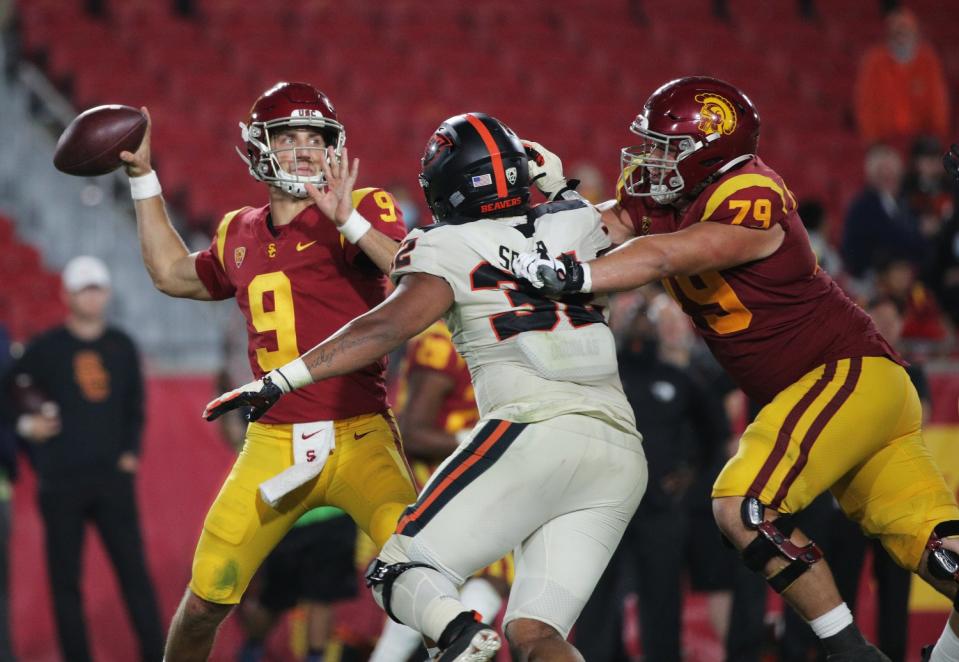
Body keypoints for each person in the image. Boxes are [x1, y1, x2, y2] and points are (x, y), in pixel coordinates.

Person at [511, 76, 959, 662]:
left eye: (667, 149)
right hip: (855, 390)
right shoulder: (664, 195)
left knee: (742, 504)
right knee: (934, 545)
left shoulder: (750, 190)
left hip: (844, 371)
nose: (651, 161)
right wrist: (524, 236)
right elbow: (610, 224)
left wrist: (578, 277)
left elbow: (675, 252)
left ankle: (850, 652)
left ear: (711, 152)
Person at [203, 111, 648, 662]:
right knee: (536, 635)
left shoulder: (445, 245)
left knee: (397, 570)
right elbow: (634, 219)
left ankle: (461, 638)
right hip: (621, 450)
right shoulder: (577, 222)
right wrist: (558, 187)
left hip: (536, 428)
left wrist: (285, 377)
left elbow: (387, 324)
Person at [118, 81, 418, 661]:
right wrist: (142, 177)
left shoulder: (366, 207)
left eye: (316, 137)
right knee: (205, 600)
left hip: (360, 433)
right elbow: (171, 274)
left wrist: (348, 219)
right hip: (273, 443)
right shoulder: (238, 231)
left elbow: (415, 278)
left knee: (422, 574)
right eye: (289, 136)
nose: (305, 149)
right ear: (260, 147)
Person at [0, 256, 163, 662]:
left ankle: (159, 654)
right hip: (61, 481)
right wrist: (26, 426)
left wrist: (129, 454)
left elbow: (134, 405)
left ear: (107, 293)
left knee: (134, 575)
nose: (91, 297)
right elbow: (7, 394)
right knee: (65, 582)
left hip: (112, 480)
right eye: (83, 290)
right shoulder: (45, 348)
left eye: (96, 288)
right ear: (67, 295)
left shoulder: (121, 346)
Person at [369, 321, 511, 662]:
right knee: (431, 585)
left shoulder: (491, 325)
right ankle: (463, 646)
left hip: (475, 481)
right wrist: (477, 443)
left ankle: (462, 645)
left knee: (478, 579)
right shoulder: (443, 336)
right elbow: (414, 432)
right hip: (444, 481)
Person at [853, 7, 950, 149]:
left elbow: (938, 101)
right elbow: (866, 103)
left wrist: (936, 133)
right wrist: (872, 138)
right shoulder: (874, 61)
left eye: (906, 31)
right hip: (883, 141)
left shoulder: (928, 60)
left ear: (915, 34)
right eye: (897, 32)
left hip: (921, 140)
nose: (901, 37)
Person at [840, 144, 925, 283]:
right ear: (872, 176)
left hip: (911, 275)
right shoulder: (861, 208)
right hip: (873, 280)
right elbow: (854, 252)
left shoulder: (910, 202)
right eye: (882, 171)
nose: (888, 175)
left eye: (892, 170)